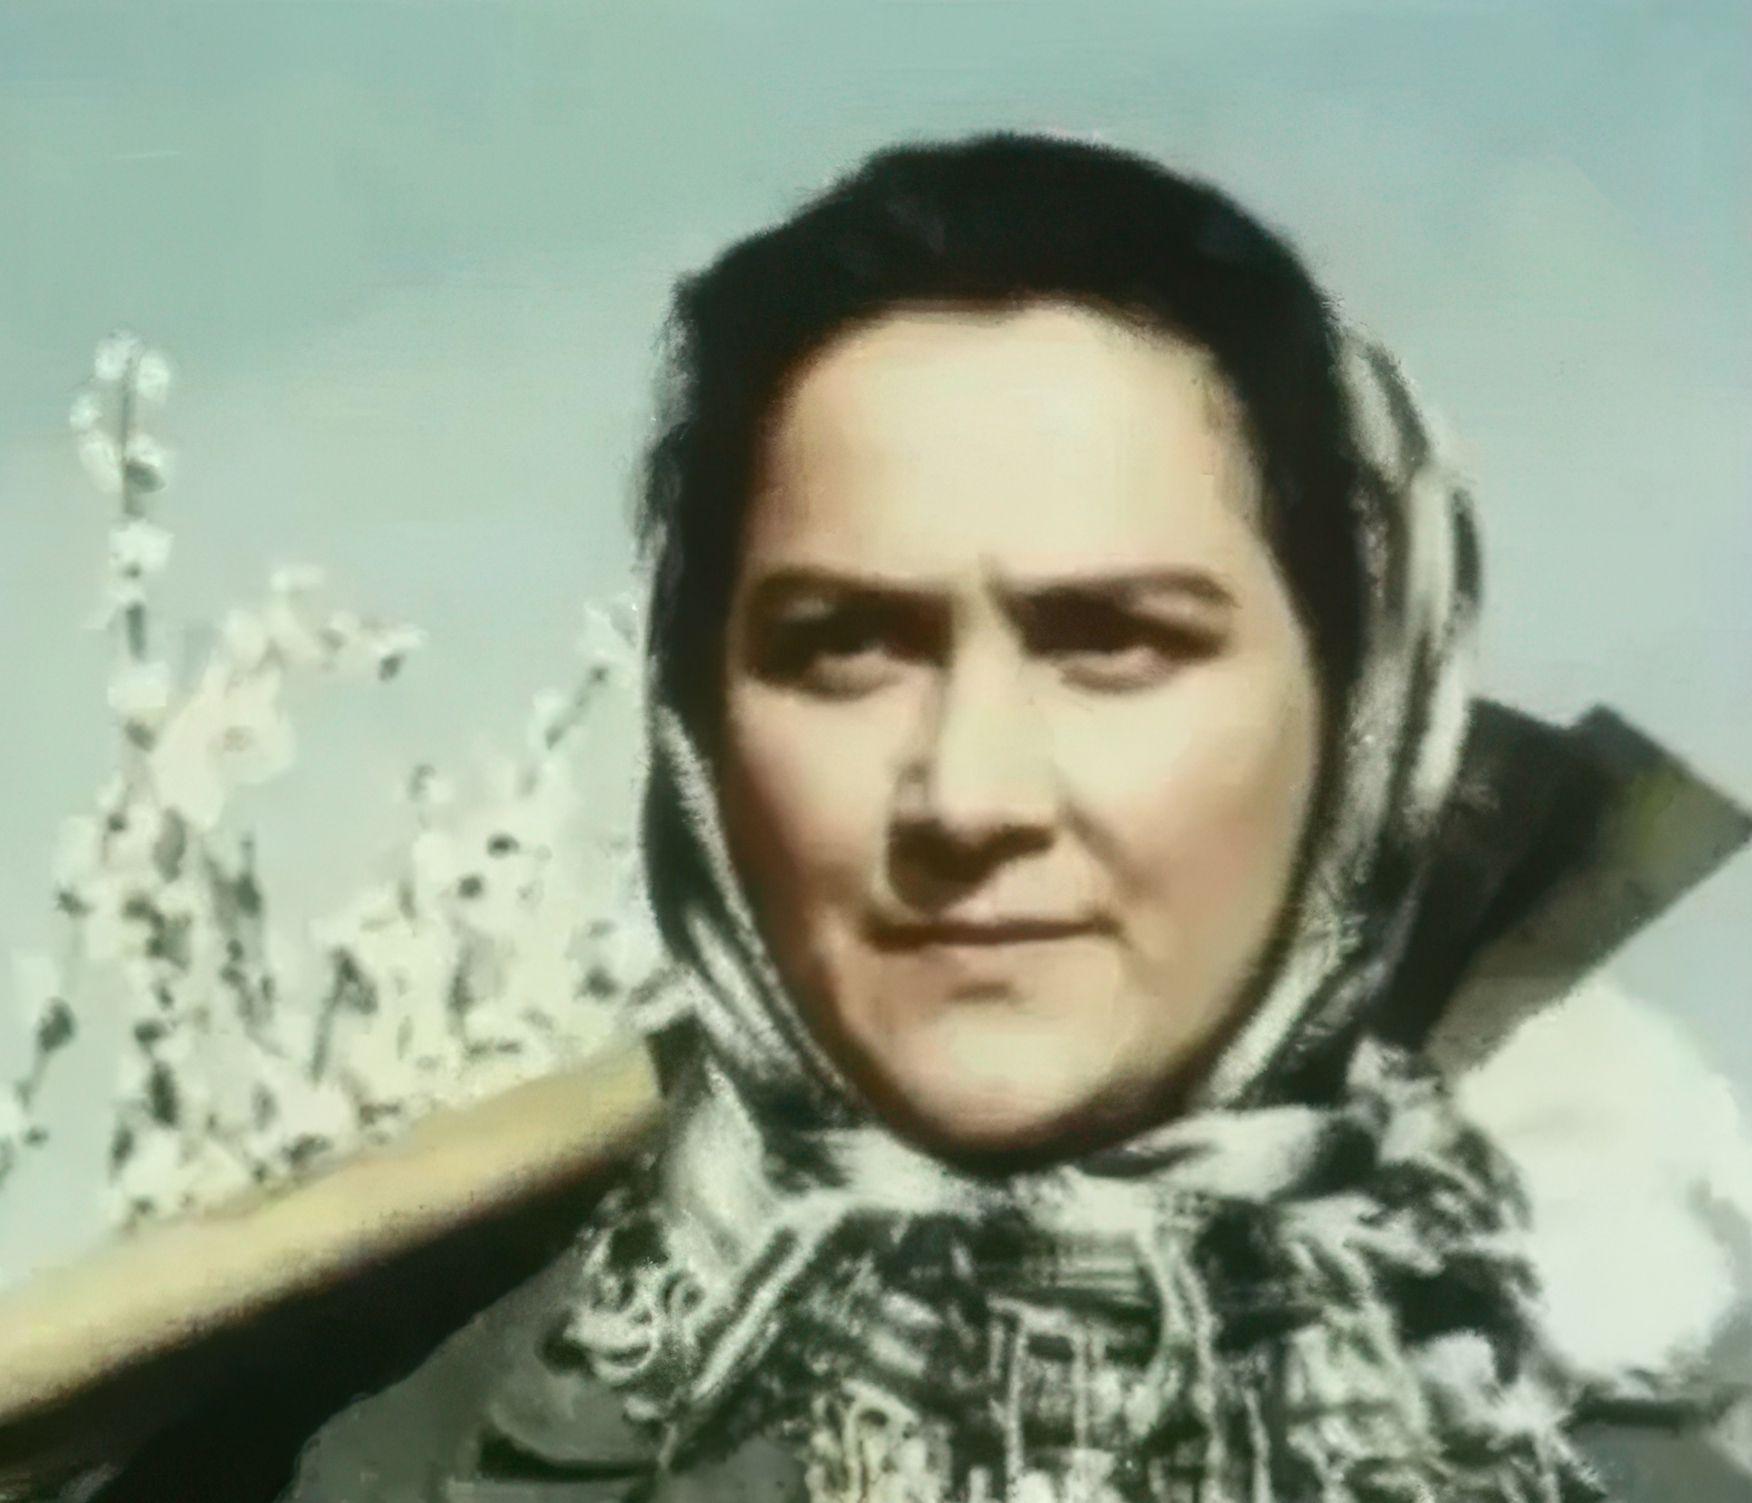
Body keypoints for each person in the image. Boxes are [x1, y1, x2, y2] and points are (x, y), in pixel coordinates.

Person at [56, 133, 1752, 1501]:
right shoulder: (340, 1475)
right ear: (702, 728)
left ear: (1359, 721)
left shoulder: (1612, 1466)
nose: (969, 795)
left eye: (1115, 643)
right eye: (845, 649)